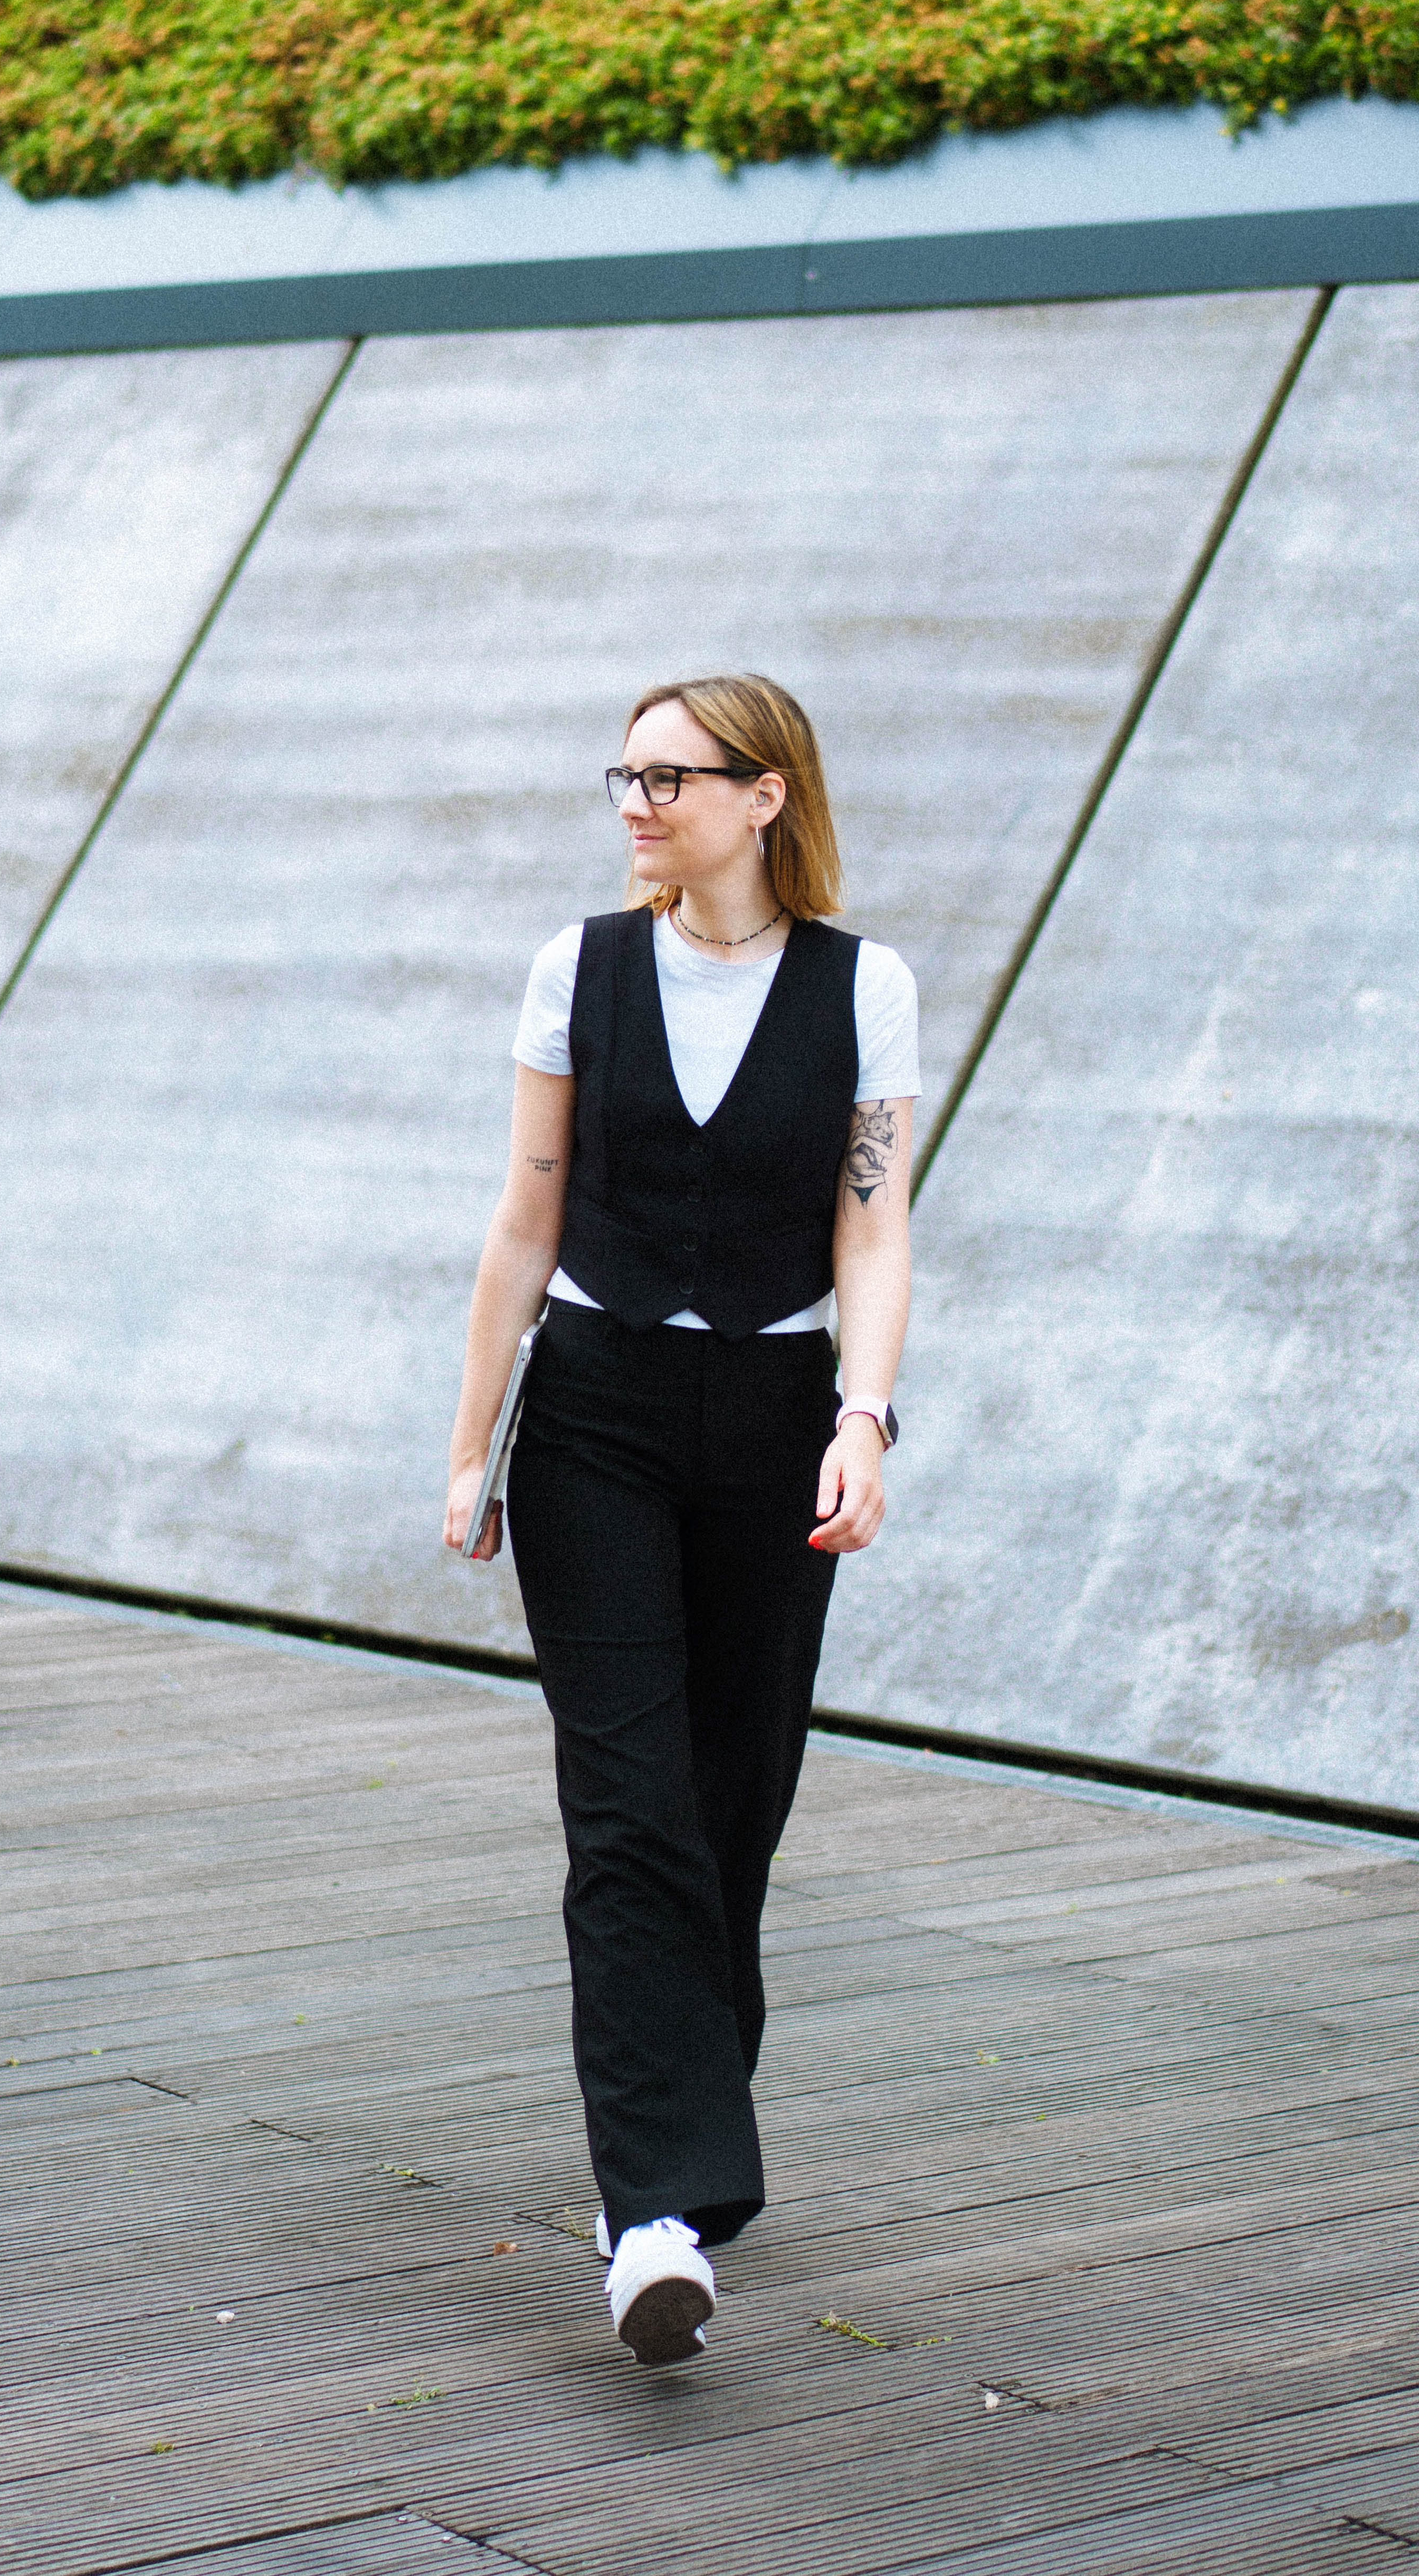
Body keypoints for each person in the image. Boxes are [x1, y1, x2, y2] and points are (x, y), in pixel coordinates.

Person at [443, 672, 916, 2366]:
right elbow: (525, 1214)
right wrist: (469, 1434)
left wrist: (865, 1416)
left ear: (765, 794)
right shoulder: (576, 969)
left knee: (734, 1797)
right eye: (624, 775)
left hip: (781, 1420)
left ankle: (682, 2122)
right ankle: (650, 2212)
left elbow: (872, 1230)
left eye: (670, 776)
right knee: (628, 1802)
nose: (635, 802)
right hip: (596, 1417)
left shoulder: (866, 989)